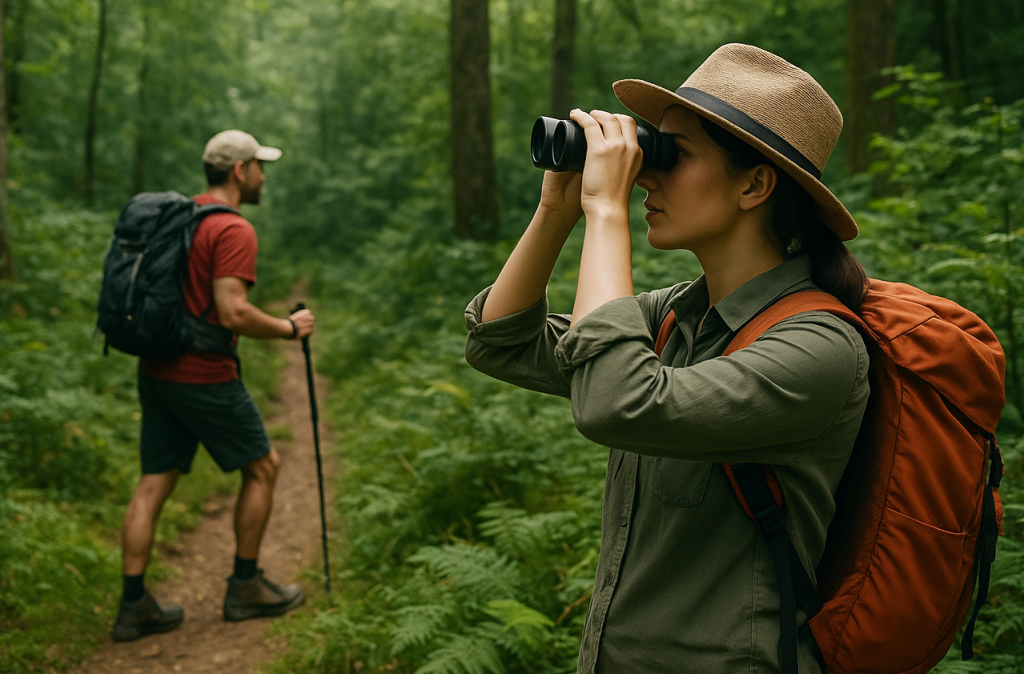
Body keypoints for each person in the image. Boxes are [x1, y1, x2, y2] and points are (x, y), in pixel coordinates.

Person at [464, 44, 871, 673]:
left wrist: (607, 212)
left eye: (670, 156)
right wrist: (556, 211)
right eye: (649, 150)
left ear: (755, 184)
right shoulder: (678, 316)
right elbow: (503, 342)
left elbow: (614, 404)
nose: (645, 175)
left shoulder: (818, 347)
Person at [112, 130, 316, 642]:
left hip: (156, 370)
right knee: (263, 467)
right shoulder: (231, 229)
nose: (263, 176)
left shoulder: (179, 219)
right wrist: (288, 329)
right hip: (202, 373)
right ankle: (245, 587)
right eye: (259, 167)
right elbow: (232, 312)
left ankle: (133, 605)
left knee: (154, 481)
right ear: (240, 171)